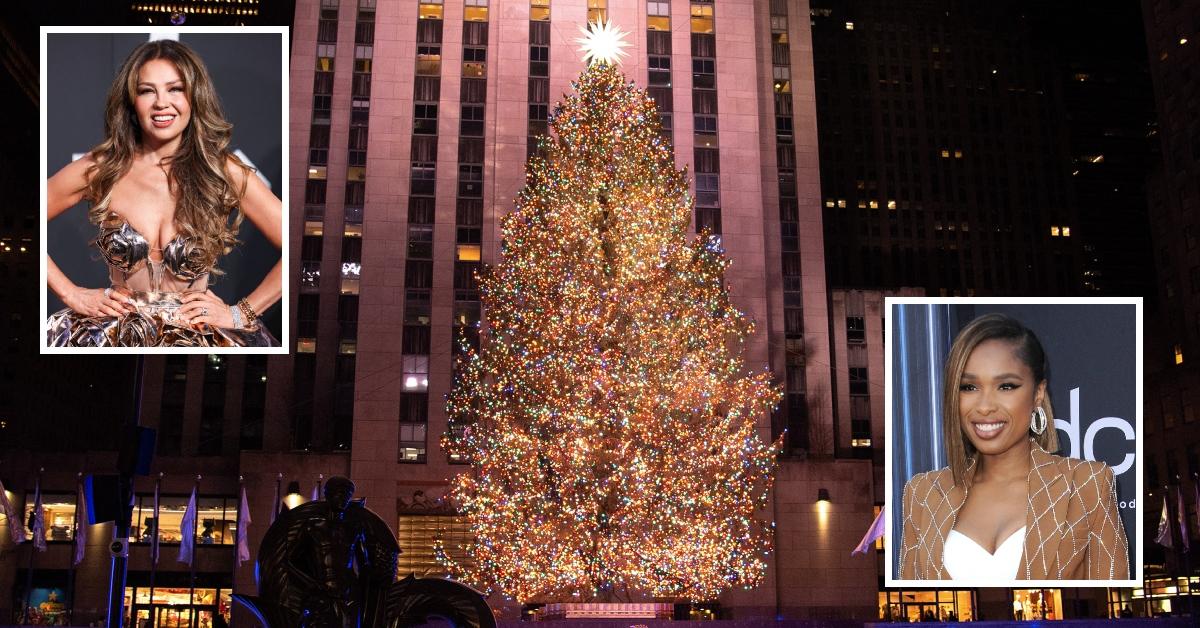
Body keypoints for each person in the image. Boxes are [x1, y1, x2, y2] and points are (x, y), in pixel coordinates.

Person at [46, 38, 281, 347]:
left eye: (175, 89)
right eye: (147, 91)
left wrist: (241, 314)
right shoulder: (103, 167)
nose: (161, 103)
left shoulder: (222, 171)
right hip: (110, 340)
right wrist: (69, 292)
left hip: (198, 340)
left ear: (194, 96)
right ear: (132, 101)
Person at [897, 313, 1129, 582]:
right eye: (969, 387)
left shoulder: (1087, 484)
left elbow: (1112, 600)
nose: (984, 406)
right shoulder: (922, 495)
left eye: (1006, 386)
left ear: (1038, 393)